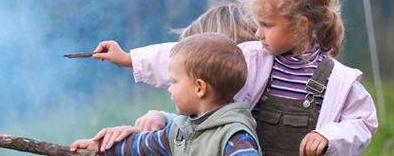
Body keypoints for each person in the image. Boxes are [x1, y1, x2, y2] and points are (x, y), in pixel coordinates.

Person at [90, 0, 378, 155]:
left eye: (267, 25)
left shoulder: (339, 80)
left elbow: (363, 123)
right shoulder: (255, 57)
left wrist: (330, 136)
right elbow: (193, 59)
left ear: (301, 25)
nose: (257, 32)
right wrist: (130, 58)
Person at [71, 34, 261, 155]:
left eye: (175, 82)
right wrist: (101, 147)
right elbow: (141, 145)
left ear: (199, 88)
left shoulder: (235, 138)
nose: (170, 88)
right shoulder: (180, 130)